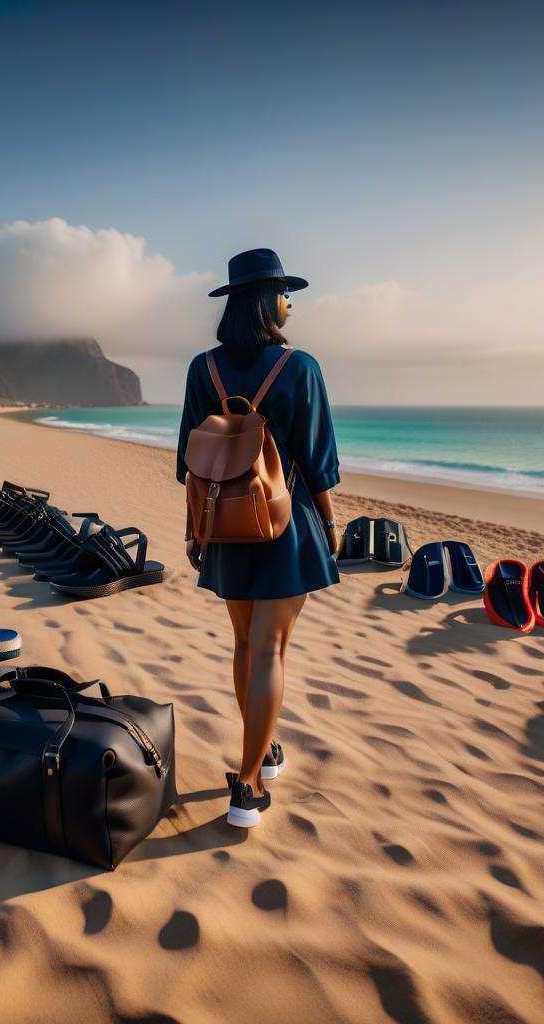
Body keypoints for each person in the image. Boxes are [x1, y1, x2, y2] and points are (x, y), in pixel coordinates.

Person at [176, 248, 341, 828]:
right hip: (281, 523)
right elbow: (318, 460)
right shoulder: (300, 367)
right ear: (267, 301)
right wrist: (328, 521)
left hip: (224, 522)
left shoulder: (204, 368)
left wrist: (197, 527)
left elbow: (190, 461)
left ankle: (264, 749)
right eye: (285, 292)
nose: (290, 302)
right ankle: (247, 786)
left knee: (247, 646)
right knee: (271, 650)